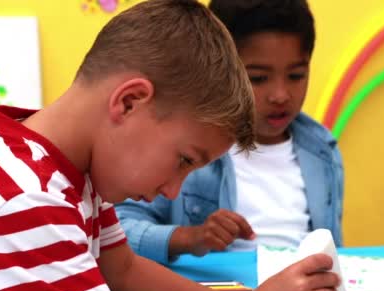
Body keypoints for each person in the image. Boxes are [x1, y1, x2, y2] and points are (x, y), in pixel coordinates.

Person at [0, 1, 339, 291]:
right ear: (129, 102)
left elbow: (126, 273)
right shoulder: (26, 194)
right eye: (184, 160)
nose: (172, 191)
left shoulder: (70, 173)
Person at [116, 0, 344, 263]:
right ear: (218, 72)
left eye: (296, 76)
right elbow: (119, 229)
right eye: (258, 78)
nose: (281, 95)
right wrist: (189, 238)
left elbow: (334, 250)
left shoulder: (324, 150)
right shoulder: (184, 145)